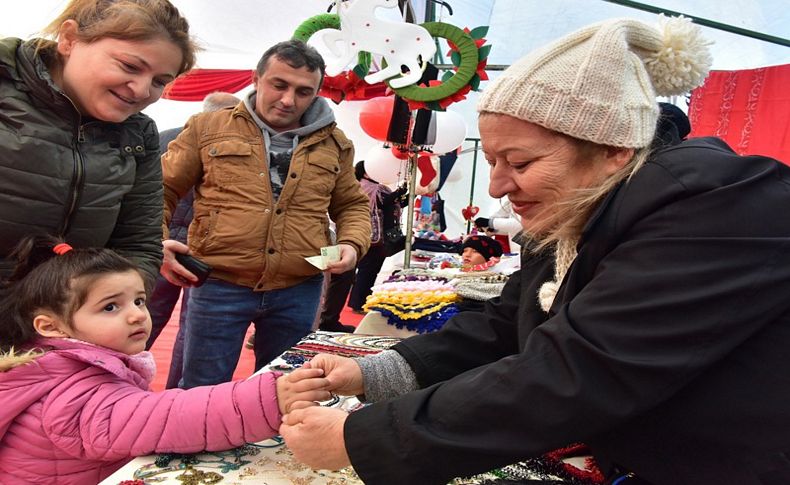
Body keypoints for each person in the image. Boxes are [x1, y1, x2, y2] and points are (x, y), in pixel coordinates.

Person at [280, 16, 790, 485]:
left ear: (613, 149)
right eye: (495, 160)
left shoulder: (711, 212)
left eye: (519, 163)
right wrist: (377, 373)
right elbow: (507, 324)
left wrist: (364, 437)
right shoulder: (581, 209)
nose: (498, 186)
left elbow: (582, 369)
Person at [0, 235, 330, 484]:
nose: (136, 316)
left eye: (139, 301)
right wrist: (268, 398)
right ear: (50, 326)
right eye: (111, 307)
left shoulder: (53, 362)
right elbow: (164, 417)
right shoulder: (75, 391)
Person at [160, 39, 371, 388]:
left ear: (317, 93)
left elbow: (352, 204)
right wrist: (158, 242)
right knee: (202, 389)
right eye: (279, 85)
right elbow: (161, 188)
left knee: (283, 391)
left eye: (303, 91)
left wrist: (351, 243)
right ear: (257, 79)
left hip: (299, 288)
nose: (289, 100)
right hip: (219, 284)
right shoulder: (207, 128)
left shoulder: (336, 144)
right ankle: (193, 445)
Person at [0, 0, 197, 288]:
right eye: (130, 66)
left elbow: (139, 245)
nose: (142, 90)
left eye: (159, 81)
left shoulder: (138, 133)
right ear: (69, 40)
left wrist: (113, 303)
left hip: (61, 319)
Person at [146, 92, 241, 389]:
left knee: (144, 313)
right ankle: (177, 393)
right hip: (194, 242)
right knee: (189, 324)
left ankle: (115, 378)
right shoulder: (224, 146)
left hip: (160, 237)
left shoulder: (163, 137)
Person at [318, 161, 408, 331]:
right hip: (363, 237)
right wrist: (398, 193)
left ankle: (330, 319)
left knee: (347, 276)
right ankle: (330, 318)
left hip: (358, 237)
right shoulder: (364, 188)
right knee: (350, 275)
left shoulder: (364, 187)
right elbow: (380, 203)